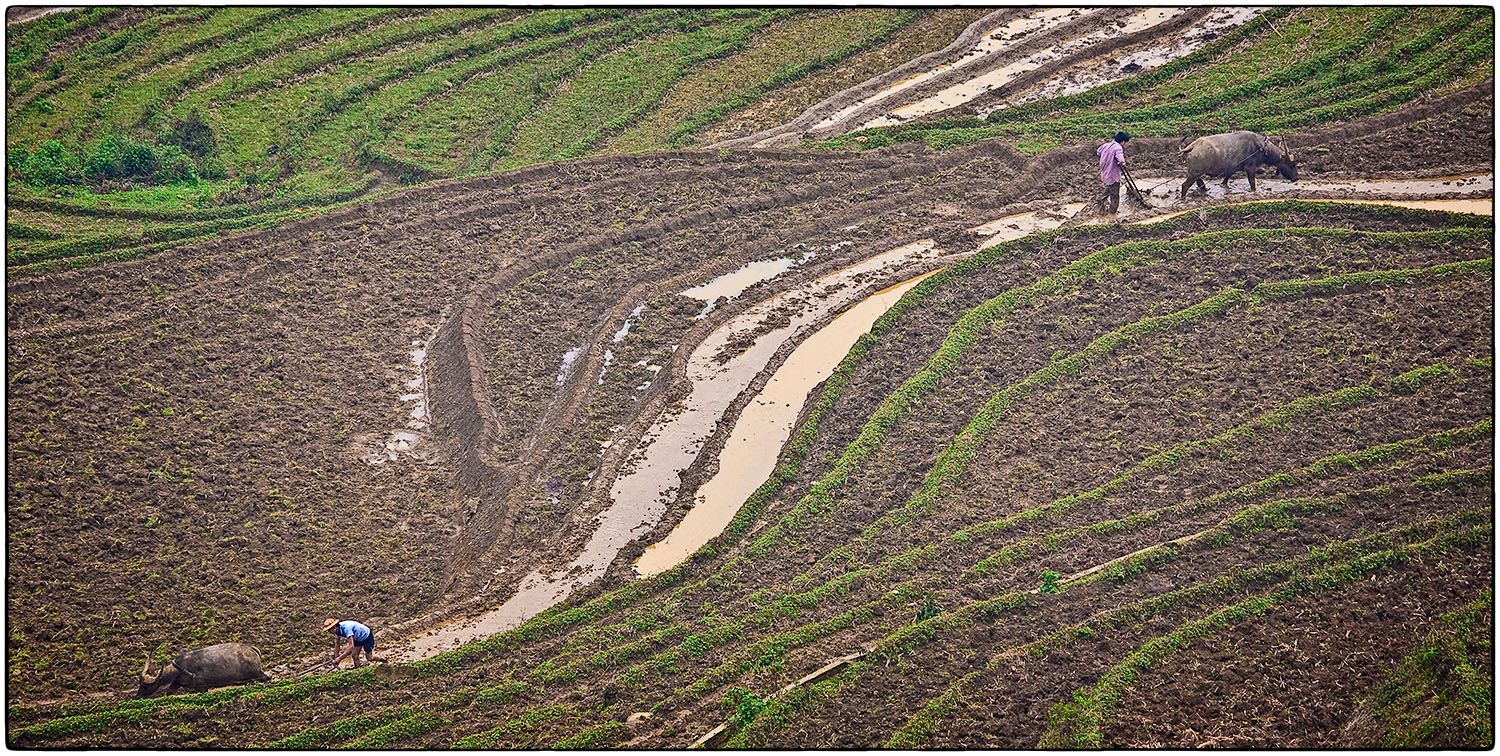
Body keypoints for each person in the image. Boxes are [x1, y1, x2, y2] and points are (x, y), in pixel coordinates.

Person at [1096, 131, 1130, 215]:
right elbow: (1121, 161)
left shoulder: (1105, 145)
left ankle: (1101, 199)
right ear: (1122, 141)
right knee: (1115, 195)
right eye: (1125, 143)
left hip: (1105, 171)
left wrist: (1106, 158)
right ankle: (1112, 211)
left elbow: (1098, 152)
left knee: (1110, 187)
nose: (1124, 145)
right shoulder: (1118, 148)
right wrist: (1122, 164)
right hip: (1113, 174)